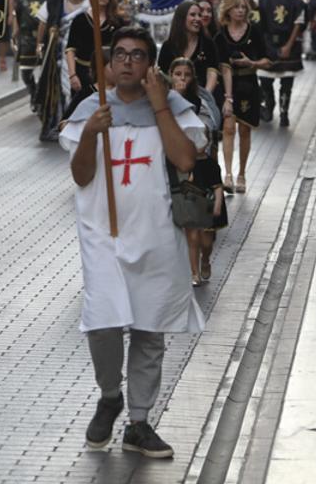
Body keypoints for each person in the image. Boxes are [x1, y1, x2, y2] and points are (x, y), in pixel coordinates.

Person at [60, 26, 205, 459]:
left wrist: (160, 105)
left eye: (137, 55)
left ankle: (139, 422)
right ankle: (110, 395)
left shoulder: (173, 108)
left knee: (148, 327)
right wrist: (89, 134)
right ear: (107, 65)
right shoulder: (90, 110)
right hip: (102, 234)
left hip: (156, 232)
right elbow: (82, 175)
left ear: (150, 66)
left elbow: (184, 159)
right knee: (102, 320)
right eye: (119, 54)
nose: (126, 62)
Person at [168, 58, 227, 287]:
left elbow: (207, 128)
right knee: (189, 227)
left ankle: (205, 259)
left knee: (206, 238)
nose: (182, 79)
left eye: (186, 75)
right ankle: (191, 272)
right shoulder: (163, 100)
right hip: (176, 168)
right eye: (177, 74)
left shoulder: (198, 101)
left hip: (200, 165)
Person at [214, 0, 269, 193]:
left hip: (248, 84)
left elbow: (268, 59)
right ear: (228, 9)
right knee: (228, 128)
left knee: (245, 130)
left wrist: (252, 63)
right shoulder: (220, 34)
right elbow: (220, 65)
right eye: (236, 7)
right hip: (228, 86)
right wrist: (226, 96)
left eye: (243, 7)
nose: (240, 10)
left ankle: (242, 174)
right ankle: (227, 173)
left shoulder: (254, 32)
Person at [35, 0, 88, 141]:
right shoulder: (55, 2)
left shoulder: (90, 5)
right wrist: (40, 44)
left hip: (83, 58)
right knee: (55, 92)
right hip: (57, 56)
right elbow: (43, 23)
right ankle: (56, 125)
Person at [256, 0, 306, 128]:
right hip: (268, 43)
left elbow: (298, 24)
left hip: (288, 43)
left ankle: (284, 113)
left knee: (286, 82)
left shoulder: (296, 2)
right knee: (264, 79)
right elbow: (251, 5)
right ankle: (269, 107)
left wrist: (289, 46)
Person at [65, 0, 122, 111]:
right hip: (83, 72)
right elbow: (70, 50)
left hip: (108, 75)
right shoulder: (80, 20)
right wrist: (73, 75)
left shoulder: (116, 22)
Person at [158, 1, 227, 100]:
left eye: (199, 15)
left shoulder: (207, 43)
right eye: (193, 15)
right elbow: (163, 75)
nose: (198, 19)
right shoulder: (168, 46)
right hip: (174, 98)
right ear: (181, 18)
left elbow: (212, 71)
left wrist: (205, 97)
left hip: (203, 96)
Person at [12, 0, 51, 104]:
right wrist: (15, 34)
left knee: (46, 71)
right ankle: (33, 92)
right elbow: (17, 14)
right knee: (26, 73)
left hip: (45, 39)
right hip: (26, 38)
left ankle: (42, 97)